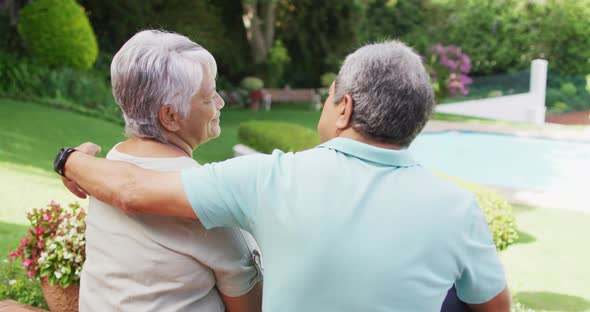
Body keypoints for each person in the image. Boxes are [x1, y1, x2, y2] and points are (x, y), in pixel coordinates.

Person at [57, 40, 511, 311]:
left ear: (344, 108)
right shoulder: (459, 209)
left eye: (330, 96)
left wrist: (69, 160)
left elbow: (133, 189)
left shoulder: (269, 178)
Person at [74, 30, 262, 312]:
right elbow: (250, 305)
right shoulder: (200, 193)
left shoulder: (112, 162)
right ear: (170, 116)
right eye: (209, 96)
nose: (221, 103)